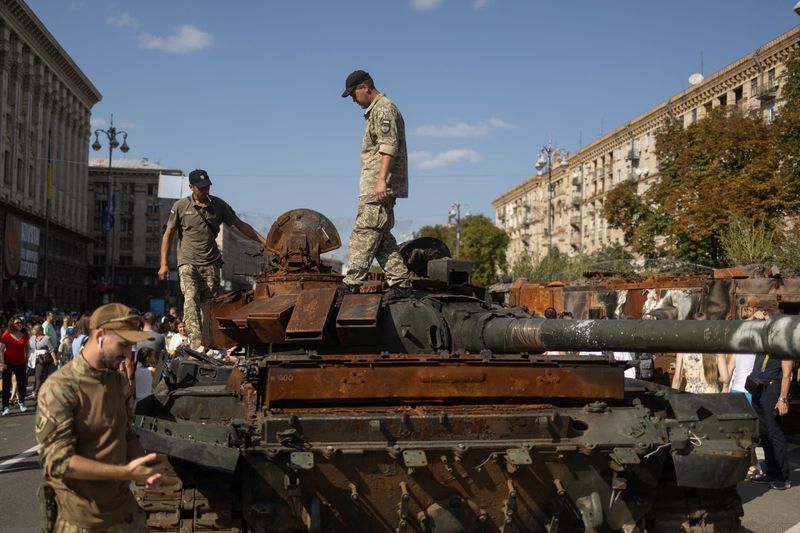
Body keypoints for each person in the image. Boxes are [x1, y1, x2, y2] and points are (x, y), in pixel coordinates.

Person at [35, 303, 162, 531]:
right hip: (82, 520)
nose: (127, 354)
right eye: (123, 345)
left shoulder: (118, 382)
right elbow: (59, 461)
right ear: (101, 336)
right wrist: (124, 472)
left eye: (131, 346)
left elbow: (127, 433)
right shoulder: (61, 387)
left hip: (125, 514)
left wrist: (143, 467)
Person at [158, 168, 267, 350]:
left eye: (207, 186)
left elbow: (240, 225)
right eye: (201, 187)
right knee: (190, 299)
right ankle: (196, 345)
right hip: (188, 262)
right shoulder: (180, 206)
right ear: (191, 187)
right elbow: (167, 234)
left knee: (208, 305)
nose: (205, 190)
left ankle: (207, 343)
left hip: (211, 263)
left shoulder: (219, 206)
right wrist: (163, 264)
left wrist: (264, 242)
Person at [341, 70, 410, 292]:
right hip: (374, 184)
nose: (353, 99)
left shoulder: (384, 108)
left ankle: (352, 283)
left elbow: (389, 146)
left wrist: (381, 181)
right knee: (382, 238)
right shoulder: (376, 111)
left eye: (353, 93)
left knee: (365, 230)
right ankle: (400, 283)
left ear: (365, 87)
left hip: (377, 185)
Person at [748, 310, 792, 490]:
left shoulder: (785, 344)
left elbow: (787, 374)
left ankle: (783, 477)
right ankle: (771, 472)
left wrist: (782, 399)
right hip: (758, 388)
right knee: (764, 433)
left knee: (775, 434)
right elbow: (745, 327)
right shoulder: (764, 340)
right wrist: (754, 316)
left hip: (772, 388)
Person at [0, 316, 30, 415]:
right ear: (12, 324)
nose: (19, 325)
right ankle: (5, 407)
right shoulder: (6, 334)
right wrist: (2, 363)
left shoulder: (25, 334)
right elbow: (1, 350)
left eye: (20, 323)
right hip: (8, 363)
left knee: (22, 383)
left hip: (21, 363)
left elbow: (27, 348)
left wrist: (27, 360)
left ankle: (21, 402)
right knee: (6, 385)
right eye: (17, 323)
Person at [31, 324, 58, 395]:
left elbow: (51, 350)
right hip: (33, 360)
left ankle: (37, 390)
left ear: (39, 331)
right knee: (38, 375)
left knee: (39, 375)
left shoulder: (46, 338)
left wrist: (55, 359)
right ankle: (41, 389)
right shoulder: (32, 338)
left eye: (34, 329)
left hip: (43, 360)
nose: (32, 330)